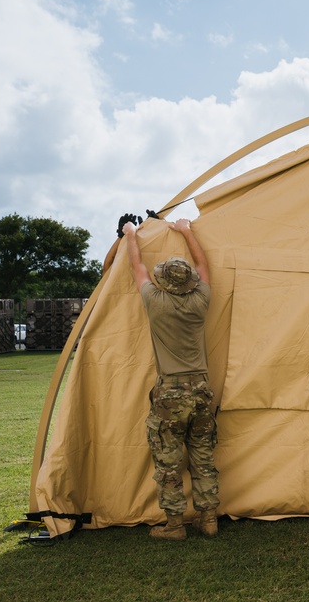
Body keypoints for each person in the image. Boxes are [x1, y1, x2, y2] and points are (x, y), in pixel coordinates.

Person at [121, 217, 219, 539]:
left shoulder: (155, 301)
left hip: (170, 395)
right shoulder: (201, 300)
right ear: (189, 281)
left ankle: (175, 526)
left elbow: (137, 267)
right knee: (203, 458)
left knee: (169, 462)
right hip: (202, 390)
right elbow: (203, 263)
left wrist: (131, 234)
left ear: (163, 281)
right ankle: (208, 520)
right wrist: (185, 230)